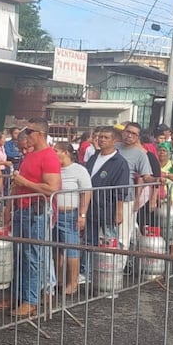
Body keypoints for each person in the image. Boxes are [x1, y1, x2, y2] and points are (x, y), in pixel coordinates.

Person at [1, 118, 61, 318]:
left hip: (36, 212)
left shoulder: (49, 156)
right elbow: (18, 184)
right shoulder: (33, 155)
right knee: (20, 255)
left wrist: (24, 182)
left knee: (32, 257)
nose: (26, 134)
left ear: (40, 134)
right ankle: (19, 295)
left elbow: (52, 187)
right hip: (23, 209)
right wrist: (9, 207)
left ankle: (31, 299)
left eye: (30, 131)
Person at [84, 127, 131, 279]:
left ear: (114, 141)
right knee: (89, 240)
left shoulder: (120, 162)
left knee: (109, 241)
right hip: (91, 206)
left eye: (105, 137)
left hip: (108, 207)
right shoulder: (93, 157)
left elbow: (121, 189)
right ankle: (87, 272)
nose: (101, 140)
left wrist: (119, 211)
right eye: (100, 137)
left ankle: (110, 274)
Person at [53, 142, 91, 296]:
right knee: (56, 249)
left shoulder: (79, 170)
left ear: (66, 153)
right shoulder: (55, 169)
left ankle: (73, 282)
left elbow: (86, 193)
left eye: (56, 151)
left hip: (70, 214)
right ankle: (59, 280)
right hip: (54, 213)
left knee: (71, 249)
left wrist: (82, 214)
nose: (53, 153)